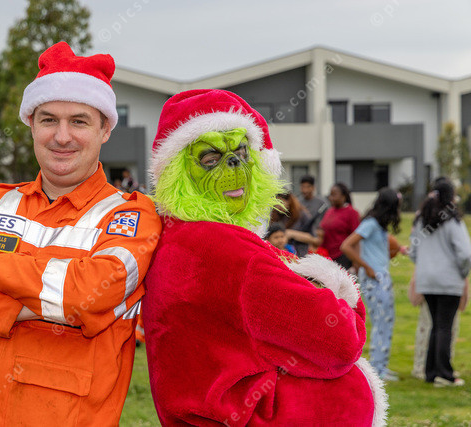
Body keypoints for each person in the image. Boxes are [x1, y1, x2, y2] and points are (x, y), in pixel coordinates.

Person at [0, 41, 161, 426]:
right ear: (31, 123)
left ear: (106, 129)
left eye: (79, 121)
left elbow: (86, 297)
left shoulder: (131, 215)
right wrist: (23, 309)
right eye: (48, 120)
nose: (62, 136)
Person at [143, 89, 386, 426]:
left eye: (241, 153)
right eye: (210, 159)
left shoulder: (173, 235)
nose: (233, 165)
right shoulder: (229, 250)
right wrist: (342, 292)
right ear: (177, 173)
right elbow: (340, 341)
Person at [409, 179, 471, 387]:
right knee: (445, 326)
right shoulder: (453, 221)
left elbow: (413, 251)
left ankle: (431, 372)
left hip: (426, 281)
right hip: (448, 280)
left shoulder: (422, 220)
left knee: (436, 326)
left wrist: (425, 267)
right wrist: (463, 273)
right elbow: (465, 253)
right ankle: (445, 374)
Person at [340, 187, 402, 381]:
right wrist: (366, 266)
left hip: (381, 277)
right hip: (375, 279)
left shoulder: (378, 225)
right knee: (381, 322)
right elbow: (346, 245)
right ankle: (377, 368)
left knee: (386, 321)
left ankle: (381, 365)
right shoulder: (371, 224)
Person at [319, 182, 360, 269]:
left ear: (343, 196)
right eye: (330, 195)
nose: (331, 198)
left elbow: (356, 238)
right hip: (327, 256)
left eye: (334, 195)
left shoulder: (352, 213)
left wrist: (356, 261)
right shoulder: (329, 211)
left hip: (342, 256)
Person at [270, 190, 312, 256]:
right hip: (281, 254)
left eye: (281, 202)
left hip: (300, 254)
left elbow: (315, 239)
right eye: (276, 203)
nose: (278, 206)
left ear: (289, 201)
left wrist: (292, 234)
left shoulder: (301, 214)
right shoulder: (275, 215)